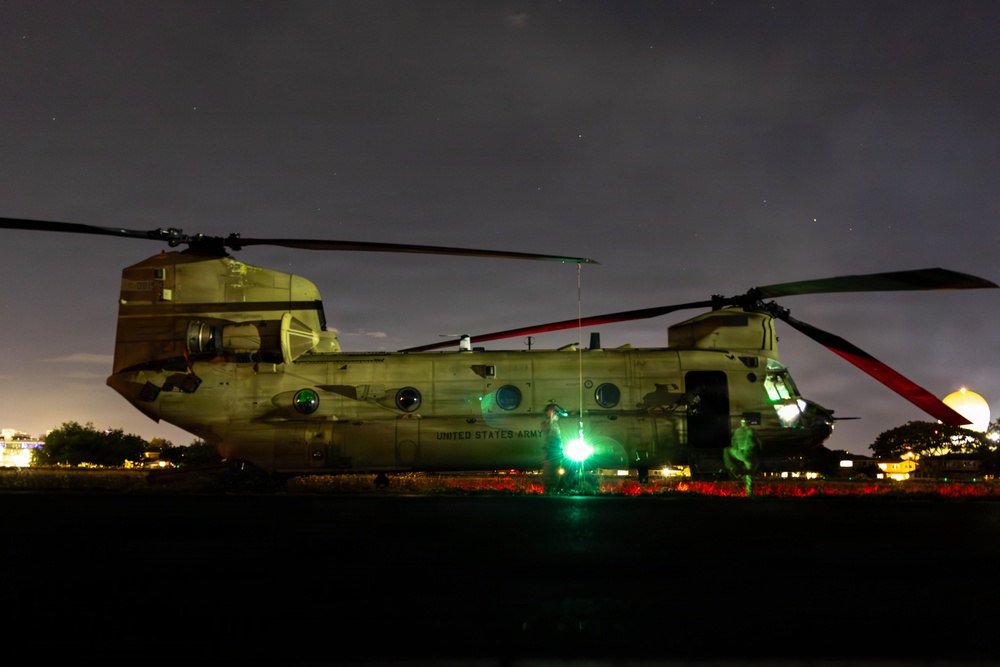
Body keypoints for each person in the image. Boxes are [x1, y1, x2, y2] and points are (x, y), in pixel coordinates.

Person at [725, 418, 761, 494]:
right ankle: (749, 491)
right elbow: (760, 443)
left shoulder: (739, 431)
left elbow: (733, 442)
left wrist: (737, 449)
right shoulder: (751, 431)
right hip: (749, 455)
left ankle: (735, 471)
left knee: (726, 451)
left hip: (744, 454)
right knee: (749, 472)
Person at [541, 403, 564, 493]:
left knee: (557, 473)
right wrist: (551, 418)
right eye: (553, 412)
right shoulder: (546, 424)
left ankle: (554, 490)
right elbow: (547, 431)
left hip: (557, 452)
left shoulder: (556, 424)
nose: (555, 414)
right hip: (550, 453)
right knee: (548, 473)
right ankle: (548, 490)